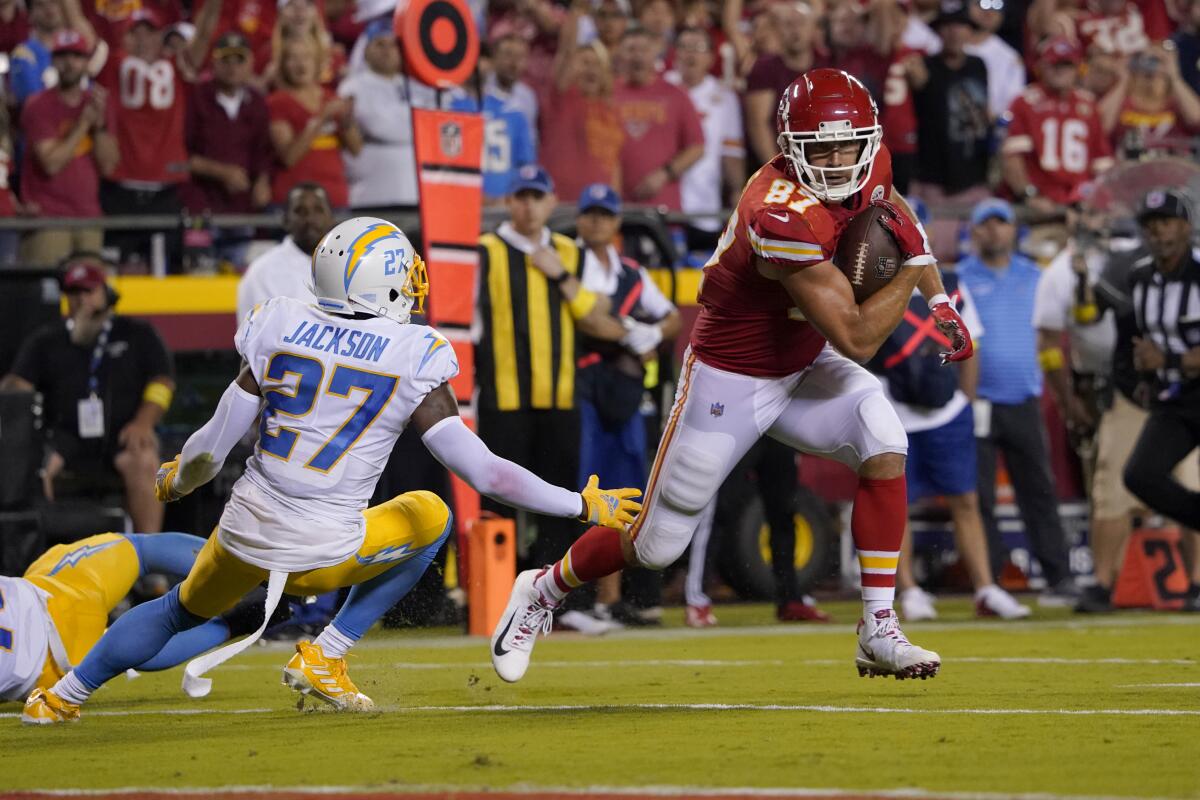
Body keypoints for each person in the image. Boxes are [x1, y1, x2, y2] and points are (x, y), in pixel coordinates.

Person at [22, 217, 642, 723]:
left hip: (243, 533)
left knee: (175, 611)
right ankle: (328, 653)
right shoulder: (413, 352)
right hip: (324, 550)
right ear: (384, 284)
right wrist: (581, 505)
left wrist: (176, 478)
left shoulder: (281, 321)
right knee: (431, 516)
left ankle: (60, 697)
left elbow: (210, 449)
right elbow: (485, 474)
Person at [492, 69, 974, 684]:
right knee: (656, 545)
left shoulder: (868, 164)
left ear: (869, 138)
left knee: (884, 440)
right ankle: (542, 587)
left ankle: (877, 626)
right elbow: (857, 337)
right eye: (818, 147)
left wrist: (937, 298)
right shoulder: (779, 214)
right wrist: (912, 273)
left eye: (847, 144)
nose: (834, 160)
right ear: (788, 146)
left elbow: (892, 213)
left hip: (802, 360)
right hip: (732, 374)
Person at [475, 166, 631, 574]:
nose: (528, 206)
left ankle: (553, 599)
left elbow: (600, 316)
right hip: (501, 399)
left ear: (550, 201)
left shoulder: (571, 253)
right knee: (497, 504)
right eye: (521, 197)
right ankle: (495, 594)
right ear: (509, 202)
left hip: (561, 398)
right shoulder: (485, 251)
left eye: (536, 197)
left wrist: (560, 275)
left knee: (561, 505)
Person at [874, 237, 1031, 621]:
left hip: (947, 410)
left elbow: (969, 342)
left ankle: (985, 587)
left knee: (966, 500)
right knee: (898, 505)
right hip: (895, 409)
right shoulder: (872, 285)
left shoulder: (950, 283)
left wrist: (967, 401)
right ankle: (908, 589)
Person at [957, 198, 1081, 605]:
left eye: (1001, 223)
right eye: (986, 224)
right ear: (974, 232)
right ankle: (989, 582)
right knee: (980, 498)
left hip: (1023, 400)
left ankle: (1059, 577)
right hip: (978, 402)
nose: (994, 231)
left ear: (1014, 230)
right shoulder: (958, 278)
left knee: (1039, 493)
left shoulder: (1036, 276)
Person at [1, 531, 288, 705]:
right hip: (48, 592)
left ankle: (242, 620)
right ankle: (266, 575)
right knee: (139, 549)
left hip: (46, 665)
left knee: (132, 651)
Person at [0, 257, 174, 534]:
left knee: (145, 462)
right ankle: (43, 554)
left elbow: (162, 381)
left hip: (123, 432)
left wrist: (144, 422)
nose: (82, 300)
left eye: (89, 291)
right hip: (64, 435)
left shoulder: (137, 333)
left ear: (106, 293)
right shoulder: (46, 340)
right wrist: (13, 388)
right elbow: (17, 385)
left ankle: (150, 564)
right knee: (33, 468)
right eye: (74, 293)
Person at [573, 182, 681, 629]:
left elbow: (673, 315)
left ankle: (617, 597)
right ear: (580, 219)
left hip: (625, 393)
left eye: (605, 214)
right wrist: (630, 331)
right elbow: (584, 317)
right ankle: (581, 597)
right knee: (586, 490)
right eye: (591, 213)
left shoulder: (633, 273)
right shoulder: (569, 263)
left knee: (628, 490)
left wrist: (653, 335)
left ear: (617, 222)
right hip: (584, 388)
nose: (597, 221)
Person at [1119, 188, 1200, 612]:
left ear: (1186, 226)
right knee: (1141, 476)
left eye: (1166, 222)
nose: (1158, 232)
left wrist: (1166, 357)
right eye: (1150, 226)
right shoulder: (1139, 277)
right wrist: (1146, 372)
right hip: (1178, 396)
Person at [96, 3, 222, 268]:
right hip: (120, 188)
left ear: (160, 37)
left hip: (166, 189)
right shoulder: (112, 65)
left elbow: (204, 34)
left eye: (149, 32)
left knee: (167, 271)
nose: (142, 40)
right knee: (116, 272)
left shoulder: (177, 69)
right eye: (135, 33)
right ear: (124, 38)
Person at [684, 439, 833, 627]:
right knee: (718, 511)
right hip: (739, 427)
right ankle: (697, 601)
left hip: (776, 428)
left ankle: (791, 599)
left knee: (785, 512)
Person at [17, 30, 118, 268]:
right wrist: (84, 123)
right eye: (62, 56)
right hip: (48, 219)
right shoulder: (39, 105)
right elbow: (51, 163)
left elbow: (109, 165)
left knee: (90, 295)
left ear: (86, 62)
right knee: (44, 297)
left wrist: (100, 125)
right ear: (53, 61)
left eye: (76, 56)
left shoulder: (98, 102)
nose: (69, 63)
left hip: (88, 216)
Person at [909, 0, 992, 262]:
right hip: (935, 186)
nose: (955, 32)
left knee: (980, 259)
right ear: (939, 31)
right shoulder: (924, 67)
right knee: (935, 261)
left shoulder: (979, 65)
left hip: (974, 182)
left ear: (970, 31)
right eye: (948, 26)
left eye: (961, 25)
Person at [183, 31, 273, 268]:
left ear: (251, 64)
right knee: (199, 276)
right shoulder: (196, 98)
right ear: (214, 63)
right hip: (200, 206)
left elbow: (264, 150)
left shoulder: (256, 101)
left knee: (244, 276)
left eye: (239, 60)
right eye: (226, 60)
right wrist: (221, 172)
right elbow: (180, 155)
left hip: (243, 208)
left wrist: (263, 181)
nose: (233, 68)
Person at [1001, 38, 1113, 220]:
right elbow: (1013, 159)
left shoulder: (1088, 105)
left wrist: (1096, 200)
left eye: (1066, 65)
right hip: (1039, 205)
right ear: (1042, 67)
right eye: (1054, 64)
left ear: (1077, 68)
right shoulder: (1025, 102)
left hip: (1080, 205)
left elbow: (1102, 163)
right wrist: (1030, 195)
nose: (1060, 70)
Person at [337, 19, 436, 209]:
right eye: (379, 44)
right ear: (366, 50)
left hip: (414, 191)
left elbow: (429, 127)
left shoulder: (416, 86)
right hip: (372, 191)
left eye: (393, 45)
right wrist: (412, 127)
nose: (387, 50)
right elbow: (378, 125)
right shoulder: (352, 86)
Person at [667, 26, 746, 243]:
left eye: (698, 48)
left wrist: (737, 190)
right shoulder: (661, 86)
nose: (690, 54)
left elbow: (731, 151)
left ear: (711, 58)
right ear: (674, 53)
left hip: (703, 205)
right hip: (662, 201)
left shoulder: (723, 97)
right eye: (684, 47)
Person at [613, 25, 705, 212]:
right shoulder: (606, 94)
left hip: (663, 209)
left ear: (656, 53)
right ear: (620, 53)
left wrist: (664, 174)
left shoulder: (676, 94)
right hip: (614, 209)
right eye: (631, 50)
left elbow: (697, 146)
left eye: (644, 50)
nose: (637, 56)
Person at [267, 38, 362, 209]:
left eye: (306, 58)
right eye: (293, 58)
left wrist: (347, 120)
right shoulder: (277, 102)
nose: (300, 65)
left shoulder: (331, 97)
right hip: (295, 200)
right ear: (283, 65)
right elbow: (289, 157)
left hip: (334, 197)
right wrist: (321, 118)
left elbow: (356, 149)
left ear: (317, 63)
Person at [236, 182, 333, 322]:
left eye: (318, 210)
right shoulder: (262, 272)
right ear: (285, 220)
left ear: (331, 218)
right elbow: (257, 336)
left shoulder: (350, 266)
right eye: (300, 211)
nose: (310, 219)